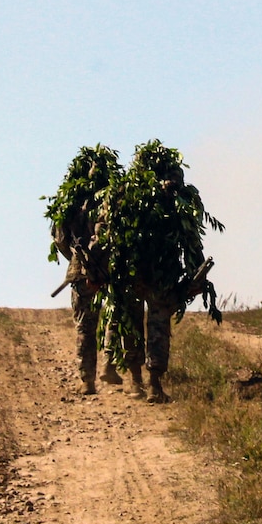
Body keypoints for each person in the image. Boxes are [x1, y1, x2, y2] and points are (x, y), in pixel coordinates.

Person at [99, 141, 223, 403]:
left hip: (146, 275)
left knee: (138, 327)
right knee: (151, 327)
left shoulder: (124, 194)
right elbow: (190, 240)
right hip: (150, 275)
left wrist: (196, 274)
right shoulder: (168, 199)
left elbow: (105, 234)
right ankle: (147, 383)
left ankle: (142, 383)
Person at [46, 145, 125, 394]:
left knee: (85, 327)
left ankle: (87, 380)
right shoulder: (114, 200)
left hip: (81, 273)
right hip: (110, 271)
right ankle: (108, 364)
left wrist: (75, 259)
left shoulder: (70, 205)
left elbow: (59, 239)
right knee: (115, 317)